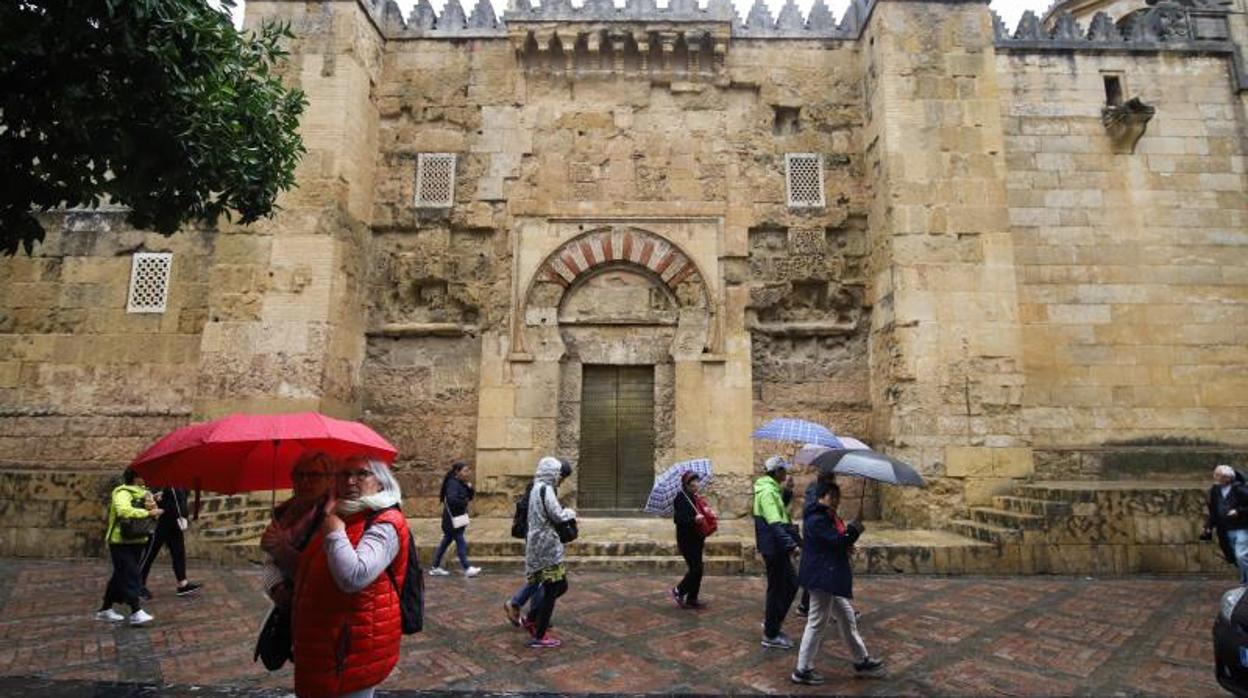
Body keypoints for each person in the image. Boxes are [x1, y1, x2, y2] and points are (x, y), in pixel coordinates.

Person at [292, 457, 411, 698]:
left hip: (351, 647)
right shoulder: (342, 514)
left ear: (380, 482)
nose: (350, 480)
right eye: (344, 474)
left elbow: (353, 577)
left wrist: (334, 531)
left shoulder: (386, 522)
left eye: (362, 474)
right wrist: (279, 551)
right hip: (324, 641)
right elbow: (312, 568)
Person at [791, 481, 884, 685]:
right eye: (831, 497)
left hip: (827, 574)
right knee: (817, 621)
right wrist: (854, 530)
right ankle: (802, 669)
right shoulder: (817, 518)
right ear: (821, 497)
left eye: (837, 497)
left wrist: (846, 540)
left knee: (846, 616)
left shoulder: (826, 516)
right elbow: (837, 540)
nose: (835, 501)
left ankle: (861, 659)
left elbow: (833, 542)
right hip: (822, 576)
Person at [260, 451, 334, 608]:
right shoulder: (284, 512)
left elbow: (323, 574)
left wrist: (281, 549)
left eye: (314, 475)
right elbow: (268, 562)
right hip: (286, 608)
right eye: (299, 475)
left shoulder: (333, 517)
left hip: (318, 609)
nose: (305, 481)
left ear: (329, 479)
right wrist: (275, 587)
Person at [96, 467, 161, 626]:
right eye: (143, 476)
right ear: (135, 477)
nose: (146, 479)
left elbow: (151, 511)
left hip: (138, 540)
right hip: (120, 541)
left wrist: (152, 505)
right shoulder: (122, 492)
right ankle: (136, 611)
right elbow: (123, 511)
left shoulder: (145, 493)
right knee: (132, 574)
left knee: (120, 576)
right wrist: (147, 513)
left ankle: (105, 609)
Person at [524, 456, 576, 649]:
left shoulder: (536, 488)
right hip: (546, 547)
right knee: (554, 588)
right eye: (557, 473)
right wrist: (570, 512)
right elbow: (558, 515)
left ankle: (532, 618)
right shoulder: (545, 490)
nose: (559, 478)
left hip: (540, 546)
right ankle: (539, 634)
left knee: (558, 586)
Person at [754, 455, 801, 650]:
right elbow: (774, 523)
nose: (786, 473)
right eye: (784, 470)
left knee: (783, 586)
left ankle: (772, 623)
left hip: (775, 547)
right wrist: (791, 545)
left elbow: (778, 510)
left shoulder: (771, 489)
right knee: (783, 586)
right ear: (776, 472)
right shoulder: (767, 492)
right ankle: (771, 633)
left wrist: (788, 492)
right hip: (774, 548)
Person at [138, 486, 201, 599]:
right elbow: (150, 499)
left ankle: (183, 584)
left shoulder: (181, 484)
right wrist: (157, 496)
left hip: (175, 524)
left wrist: (184, 516)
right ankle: (138, 585)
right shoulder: (160, 482)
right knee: (149, 555)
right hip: (160, 524)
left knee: (179, 553)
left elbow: (182, 501)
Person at [796, 471, 837, 617]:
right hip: (818, 544)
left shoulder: (813, 495)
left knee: (814, 573)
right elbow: (829, 534)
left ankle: (805, 606)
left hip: (812, 543)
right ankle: (834, 611)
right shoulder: (819, 508)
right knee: (822, 573)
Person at [430, 462, 481, 578]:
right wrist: (464, 500)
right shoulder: (452, 484)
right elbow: (452, 500)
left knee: (446, 542)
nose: (468, 473)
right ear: (457, 472)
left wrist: (469, 487)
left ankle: (435, 567)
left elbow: (471, 496)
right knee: (460, 542)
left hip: (458, 518)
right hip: (452, 520)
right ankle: (467, 568)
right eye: (465, 471)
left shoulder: (461, 483)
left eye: (468, 471)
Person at [671, 471, 709, 610]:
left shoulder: (695, 497)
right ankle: (678, 590)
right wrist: (694, 519)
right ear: (686, 485)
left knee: (699, 569)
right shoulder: (680, 498)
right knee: (695, 569)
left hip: (697, 538)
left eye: (697, 483)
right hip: (687, 540)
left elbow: (702, 511)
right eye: (693, 484)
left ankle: (692, 598)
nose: (696, 486)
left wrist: (708, 513)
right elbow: (678, 519)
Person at [1204, 464, 1248, 583]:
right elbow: (1214, 510)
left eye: (1219, 476)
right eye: (1216, 475)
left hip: (1241, 528)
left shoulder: (1240, 489)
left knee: (1241, 556)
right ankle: (1245, 580)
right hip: (1225, 529)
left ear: (1228, 478)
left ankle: (1245, 583)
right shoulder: (1215, 491)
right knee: (1234, 557)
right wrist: (1208, 527)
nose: (1216, 478)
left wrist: (1238, 511)